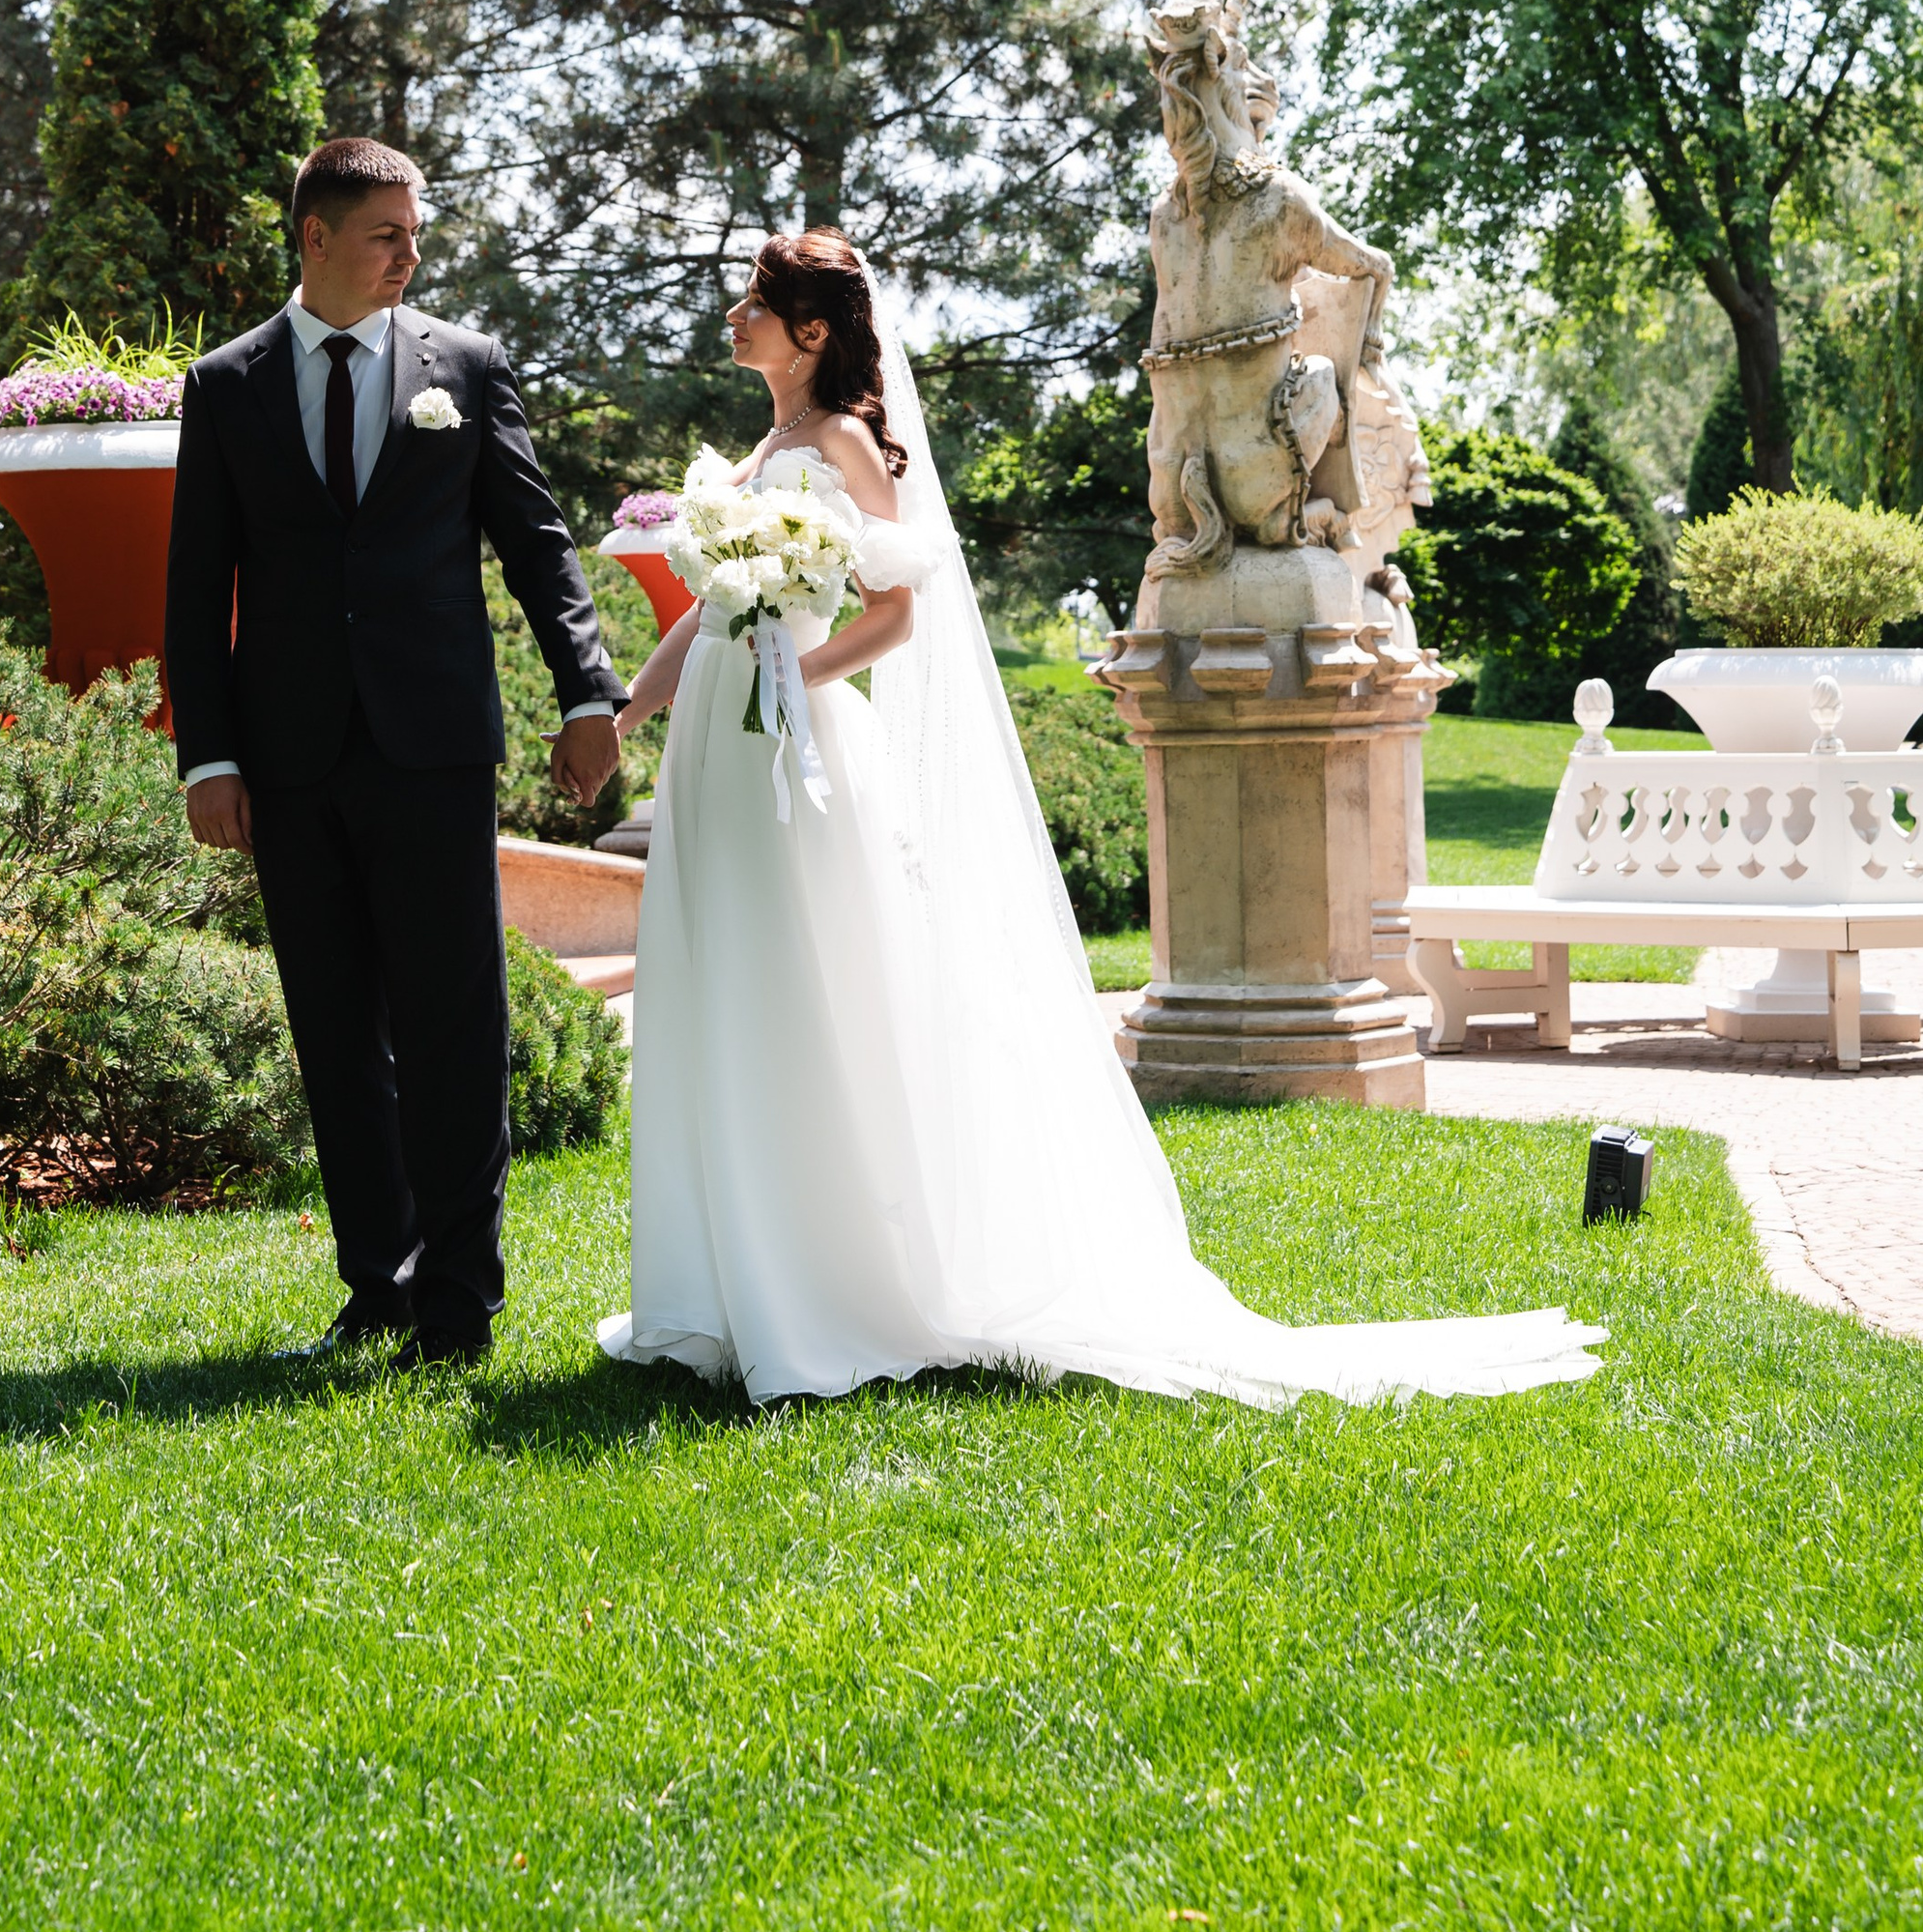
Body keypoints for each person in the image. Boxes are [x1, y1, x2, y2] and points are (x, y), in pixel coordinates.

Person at [599, 227, 1604, 1411]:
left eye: (754, 303)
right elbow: (710, 615)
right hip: (725, 749)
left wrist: (790, 672)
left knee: (798, 993)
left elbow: (894, 617)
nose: (735, 317)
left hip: (798, 754)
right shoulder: (760, 452)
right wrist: (623, 711)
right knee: (717, 984)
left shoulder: (842, 447)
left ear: (809, 330)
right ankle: (716, 1289)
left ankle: (820, 1281)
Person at [166, 138, 622, 1369]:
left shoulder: (463, 366)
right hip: (289, 758)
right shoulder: (227, 384)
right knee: (334, 1029)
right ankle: (377, 1287)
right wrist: (209, 759)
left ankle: (459, 1307)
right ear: (313, 236)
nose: (409, 256)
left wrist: (590, 693)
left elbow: (536, 540)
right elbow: (197, 584)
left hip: (431, 748)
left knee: (451, 1024)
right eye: (386, 233)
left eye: (416, 234)